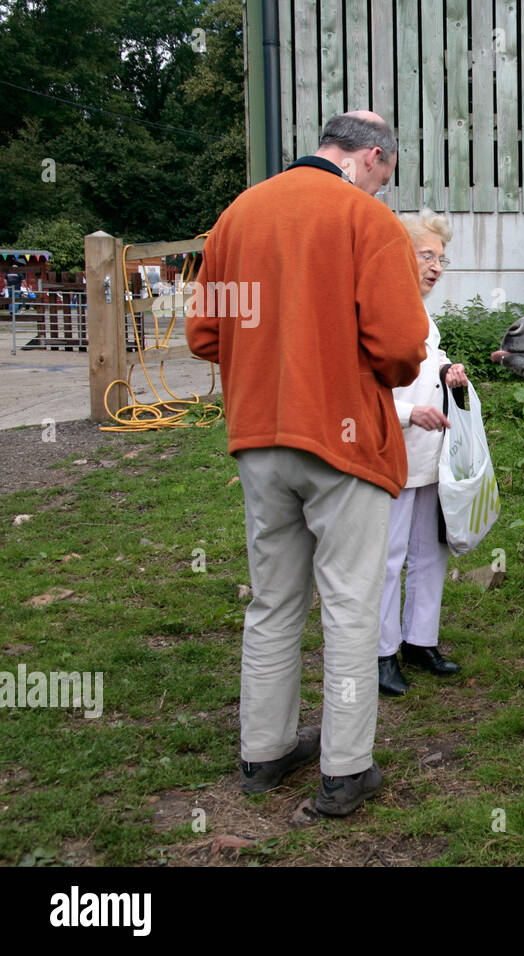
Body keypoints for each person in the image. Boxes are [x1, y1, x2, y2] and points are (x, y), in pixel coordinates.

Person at [186, 111, 430, 816]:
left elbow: (206, 335)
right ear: (372, 158)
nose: (383, 187)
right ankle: (345, 771)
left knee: (272, 601)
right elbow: (397, 346)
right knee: (351, 606)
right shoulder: (366, 221)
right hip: (342, 440)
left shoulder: (237, 217)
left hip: (260, 435)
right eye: (385, 174)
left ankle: (263, 754)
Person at [378, 210, 468, 696]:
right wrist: (412, 415)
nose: (436, 266)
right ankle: (381, 651)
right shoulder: (380, 309)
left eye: (441, 258)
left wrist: (450, 370)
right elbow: (361, 391)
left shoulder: (424, 314)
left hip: (432, 455)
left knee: (430, 550)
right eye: (426, 255)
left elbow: (427, 365)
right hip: (392, 449)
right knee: (388, 555)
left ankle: (420, 639)